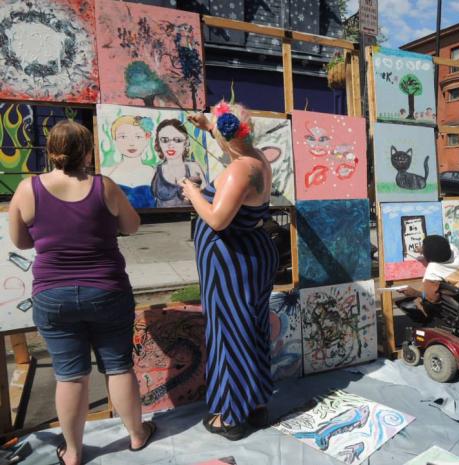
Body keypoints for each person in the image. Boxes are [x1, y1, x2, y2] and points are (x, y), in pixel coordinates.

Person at [8, 121, 156, 465]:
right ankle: (136, 435)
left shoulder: (28, 189)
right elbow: (132, 226)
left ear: (51, 150)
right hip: (106, 290)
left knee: (69, 374)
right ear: (87, 150)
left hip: (52, 295)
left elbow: (20, 241)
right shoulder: (104, 187)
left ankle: (73, 452)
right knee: (118, 367)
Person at [182, 100, 278, 440]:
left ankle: (232, 417)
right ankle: (255, 404)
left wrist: (193, 192)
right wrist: (208, 125)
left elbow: (218, 220)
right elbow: (229, 140)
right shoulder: (256, 157)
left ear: (227, 136)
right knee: (250, 329)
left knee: (228, 333)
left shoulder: (240, 169)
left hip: (230, 261)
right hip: (247, 255)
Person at [399, 235, 459, 315]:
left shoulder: (432, 270)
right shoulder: (453, 249)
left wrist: (415, 293)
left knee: (416, 301)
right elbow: (439, 248)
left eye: (423, 248)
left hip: (457, 294)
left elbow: (432, 298)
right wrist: (424, 250)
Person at [151, 119, 207, 207]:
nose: (170, 145)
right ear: (158, 142)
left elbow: (206, 199)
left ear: (186, 142)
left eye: (177, 140)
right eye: (164, 140)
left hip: (190, 219)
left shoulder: (193, 168)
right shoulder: (155, 170)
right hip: (162, 219)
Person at [105, 115, 157, 208]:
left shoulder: (154, 172)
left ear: (147, 139)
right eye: (123, 137)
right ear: (115, 140)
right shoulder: (108, 173)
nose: (131, 143)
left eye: (138, 136)